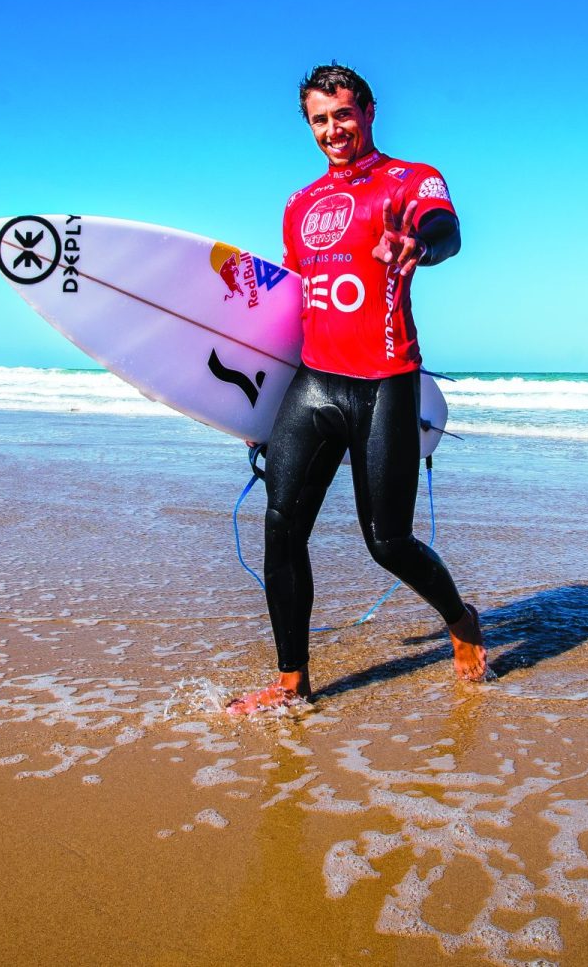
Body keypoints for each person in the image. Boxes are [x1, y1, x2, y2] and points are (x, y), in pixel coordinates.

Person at [227, 64, 486, 716]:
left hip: (385, 382)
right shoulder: (299, 204)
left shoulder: (409, 179)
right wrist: (261, 409)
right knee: (281, 529)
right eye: (319, 118)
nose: (332, 129)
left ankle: (461, 619)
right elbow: (290, 312)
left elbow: (447, 232)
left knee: (387, 542)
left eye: (342, 114)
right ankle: (292, 683)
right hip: (313, 385)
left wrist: (419, 247)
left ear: (368, 110)